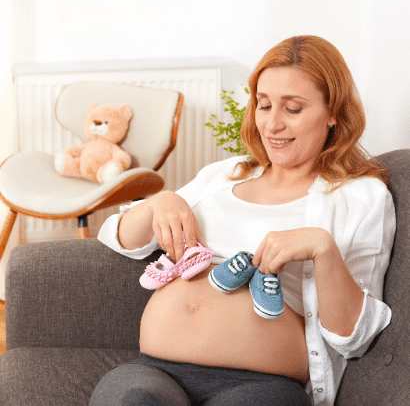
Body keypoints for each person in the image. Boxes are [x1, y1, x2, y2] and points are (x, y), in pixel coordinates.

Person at [90, 35, 396, 406]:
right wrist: (160, 202)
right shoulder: (226, 173)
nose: (272, 125)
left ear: (333, 112)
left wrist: (322, 248)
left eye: (293, 109)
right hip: (155, 370)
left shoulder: (360, 195)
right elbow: (119, 238)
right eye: (264, 105)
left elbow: (356, 336)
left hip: (260, 384)